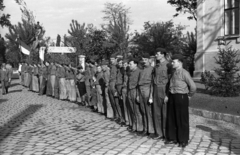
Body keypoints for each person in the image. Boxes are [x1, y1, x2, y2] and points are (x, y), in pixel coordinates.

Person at [166, 54, 196, 148]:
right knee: (172, 117)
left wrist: (189, 95)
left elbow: (193, 87)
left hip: (181, 97)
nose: (172, 63)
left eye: (173, 62)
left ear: (180, 62)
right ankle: (174, 138)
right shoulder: (174, 72)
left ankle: (183, 140)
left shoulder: (185, 73)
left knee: (182, 119)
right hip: (172, 96)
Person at [152, 48, 172, 140]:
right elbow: (153, 79)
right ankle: (159, 133)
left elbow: (171, 80)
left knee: (165, 113)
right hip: (156, 88)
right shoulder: (156, 66)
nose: (156, 56)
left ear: (163, 55)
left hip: (164, 89)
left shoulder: (168, 65)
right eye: (156, 54)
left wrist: (167, 94)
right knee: (157, 112)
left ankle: (166, 133)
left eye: (158, 54)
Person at [138, 53, 154, 137]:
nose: (144, 61)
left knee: (148, 111)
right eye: (143, 60)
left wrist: (151, 95)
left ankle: (150, 130)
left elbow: (152, 83)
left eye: (146, 60)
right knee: (143, 110)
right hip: (141, 89)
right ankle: (145, 128)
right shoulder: (142, 70)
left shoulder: (152, 69)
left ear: (150, 60)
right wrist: (138, 94)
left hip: (147, 89)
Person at [127, 58, 142, 134]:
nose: (129, 66)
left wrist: (138, 95)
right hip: (130, 90)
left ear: (135, 64)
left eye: (130, 64)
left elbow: (139, 84)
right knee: (132, 110)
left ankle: (139, 128)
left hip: (135, 91)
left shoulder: (139, 72)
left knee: (137, 110)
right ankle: (134, 126)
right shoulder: (131, 72)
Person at [108, 55, 118, 121]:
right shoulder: (111, 67)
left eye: (113, 59)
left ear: (116, 59)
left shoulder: (117, 67)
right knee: (112, 101)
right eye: (111, 59)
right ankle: (115, 115)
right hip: (111, 83)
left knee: (116, 102)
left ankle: (118, 116)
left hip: (114, 84)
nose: (111, 61)